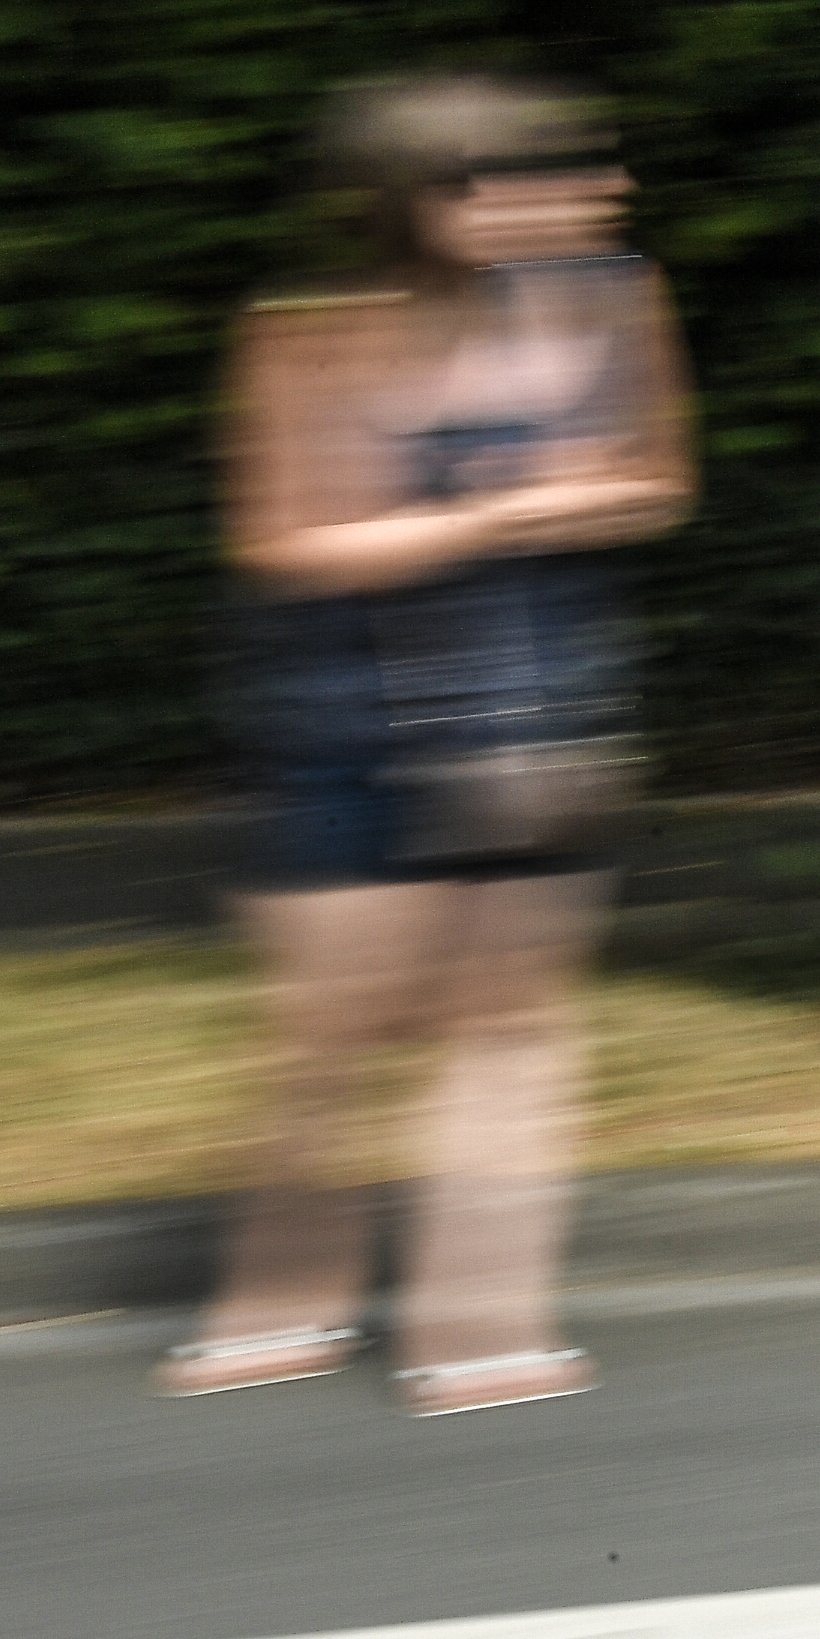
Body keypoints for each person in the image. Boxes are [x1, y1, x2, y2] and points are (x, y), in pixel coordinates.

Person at [158, 75, 694, 1417]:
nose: (605, 190)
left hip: (541, 721)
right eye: (561, 166)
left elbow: (655, 484)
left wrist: (519, 508)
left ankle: (482, 1322)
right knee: (323, 1035)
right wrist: (510, 507)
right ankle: (283, 1306)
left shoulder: (610, 300)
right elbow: (286, 541)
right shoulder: (307, 332)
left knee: (509, 1028)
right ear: (437, 201)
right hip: (345, 726)